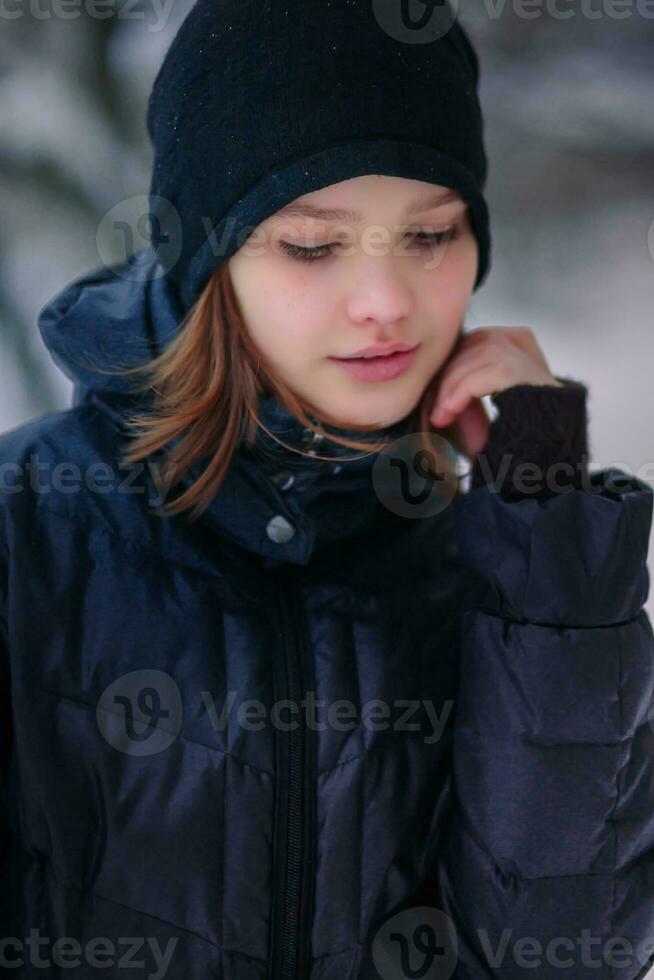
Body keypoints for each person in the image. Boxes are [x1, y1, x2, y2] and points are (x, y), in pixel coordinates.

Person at [1, 2, 653, 978]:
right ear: (207, 260)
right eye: (312, 244)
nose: (389, 299)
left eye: (432, 235)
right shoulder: (28, 527)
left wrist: (548, 552)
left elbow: (562, 955)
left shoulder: (487, 562)